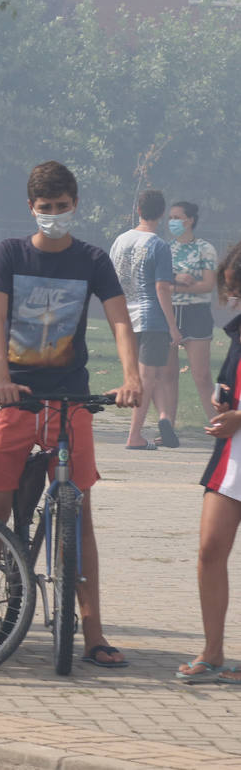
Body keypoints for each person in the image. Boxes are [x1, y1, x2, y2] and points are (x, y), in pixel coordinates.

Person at [0, 160, 140, 667]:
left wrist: (132, 376)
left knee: (80, 515)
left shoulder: (93, 258)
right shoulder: (10, 253)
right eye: (45, 208)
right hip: (14, 398)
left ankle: (93, 634)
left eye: (61, 207)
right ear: (31, 208)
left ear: (75, 203)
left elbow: (119, 319)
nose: (53, 215)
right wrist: (0, 377)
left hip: (69, 398)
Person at [178, 242, 241, 683]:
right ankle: (213, 652)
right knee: (209, 550)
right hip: (232, 456)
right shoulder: (238, 330)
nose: (231, 297)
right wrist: (225, 400)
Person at [109, 190, 183, 450]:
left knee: (151, 376)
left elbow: (112, 283)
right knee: (147, 378)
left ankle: (164, 418)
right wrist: (173, 327)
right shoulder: (158, 245)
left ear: (138, 210)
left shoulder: (120, 242)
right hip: (152, 318)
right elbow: (162, 288)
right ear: (162, 214)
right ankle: (134, 436)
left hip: (125, 317)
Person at [164, 201, 218, 436]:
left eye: (178, 217)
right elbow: (161, 285)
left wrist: (177, 286)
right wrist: (177, 282)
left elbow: (207, 285)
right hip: (170, 313)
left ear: (190, 220)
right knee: (168, 374)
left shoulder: (206, 249)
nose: (173, 222)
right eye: (170, 217)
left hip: (197, 313)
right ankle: (168, 427)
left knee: (202, 375)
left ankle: (218, 425)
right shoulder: (166, 248)